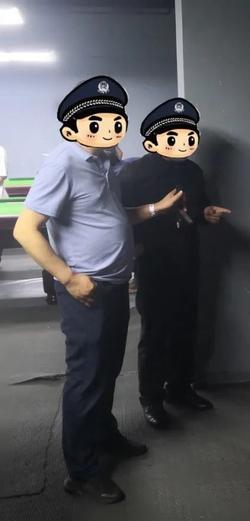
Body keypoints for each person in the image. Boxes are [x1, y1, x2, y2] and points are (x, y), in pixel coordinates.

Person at [13, 76, 183, 504]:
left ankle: (105, 437)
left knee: (106, 369)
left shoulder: (104, 161)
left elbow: (113, 215)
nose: (108, 128)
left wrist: (155, 208)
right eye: (97, 122)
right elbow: (25, 230)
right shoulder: (63, 163)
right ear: (73, 127)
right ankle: (82, 471)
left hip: (114, 285)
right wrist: (69, 278)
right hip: (86, 291)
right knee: (87, 377)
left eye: (114, 120)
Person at [120, 97, 231, 429]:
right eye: (174, 135)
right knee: (155, 332)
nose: (182, 142)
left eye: (187, 135)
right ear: (153, 139)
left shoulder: (192, 171)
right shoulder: (134, 173)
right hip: (153, 261)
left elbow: (196, 208)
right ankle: (151, 398)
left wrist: (206, 213)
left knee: (185, 327)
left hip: (187, 259)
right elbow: (123, 218)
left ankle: (180, 389)